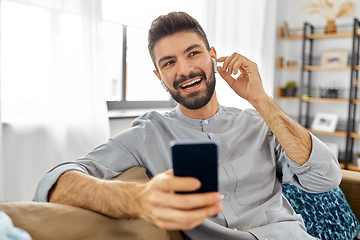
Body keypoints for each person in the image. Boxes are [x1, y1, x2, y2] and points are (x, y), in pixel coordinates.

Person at [33, 11, 342, 240]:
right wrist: (138, 199)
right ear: (158, 77)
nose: (184, 70)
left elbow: (325, 177)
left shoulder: (260, 124)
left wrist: (260, 100)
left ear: (213, 57)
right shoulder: (147, 134)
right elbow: (54, 183)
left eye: (193, 53)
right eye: (168, 63)